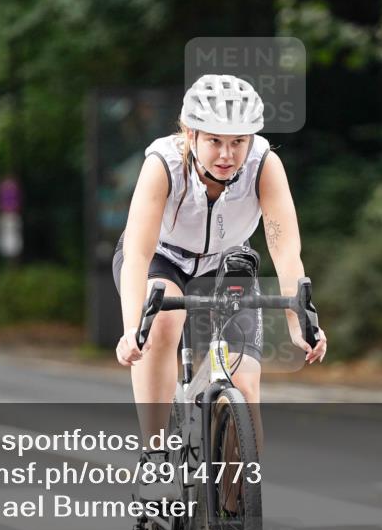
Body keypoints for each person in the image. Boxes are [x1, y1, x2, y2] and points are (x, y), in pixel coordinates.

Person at [112, 74, 328, 498]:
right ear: (189, 134)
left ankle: (233, 519)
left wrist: (300, 322)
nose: (228, 155)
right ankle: (155, 458)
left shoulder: (265, 165)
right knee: (162, 326)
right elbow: (137, 253)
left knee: (245, 388)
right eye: (214, 141)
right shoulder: (162, 165)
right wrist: (131, 328)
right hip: (162, 257)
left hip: (227, 263)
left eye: (239, 142)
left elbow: (285, 251)